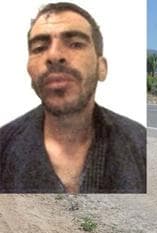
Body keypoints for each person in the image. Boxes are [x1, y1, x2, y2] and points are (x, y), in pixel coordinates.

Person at [0, 2, 146, 193]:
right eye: (39, 47)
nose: (54, 55)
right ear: (28, 69)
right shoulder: (4, 146)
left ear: (101, 67)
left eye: (75, 44)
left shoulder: (140, 144)